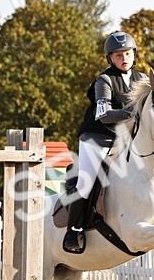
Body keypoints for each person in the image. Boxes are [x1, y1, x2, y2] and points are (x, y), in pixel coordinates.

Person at [63, 30, 149, 254]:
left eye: (128, 54)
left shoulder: (142, 79)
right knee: (86, 183)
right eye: (118, 55)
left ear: (134, 54)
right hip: (97, 138)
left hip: (124, 141)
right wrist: (131, 113)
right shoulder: (104, 80)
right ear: (110, 58)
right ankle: (73, 229)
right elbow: (104, 115)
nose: (124, 59)